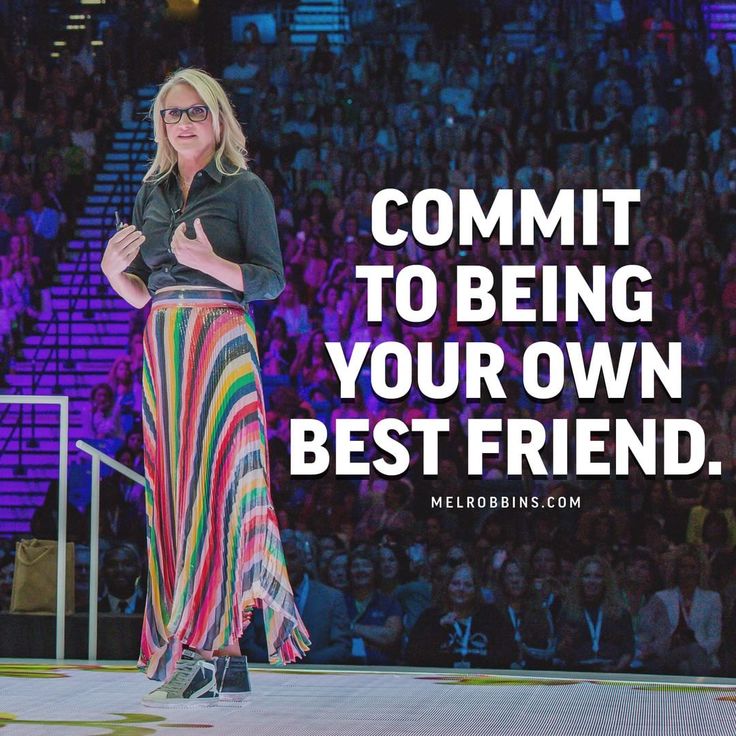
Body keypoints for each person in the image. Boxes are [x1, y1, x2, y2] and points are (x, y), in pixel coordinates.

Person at [100, 67, 309, 706]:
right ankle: (212, 651)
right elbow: (145, 291)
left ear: (218, 119)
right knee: (174, 494)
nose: (183, 122)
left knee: (225, 487)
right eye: (172, 113)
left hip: (221, 341)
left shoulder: (244, 188)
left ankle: (217, 644)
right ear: (161, 125)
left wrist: (208, 263)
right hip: (163, 347)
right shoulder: (151, 191)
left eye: (195, 111)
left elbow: (270, 280)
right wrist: (115, 275)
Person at [406, 563, 515, 669]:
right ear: (447, 587)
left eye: (468, 585)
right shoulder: (431, 616)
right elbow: (413, 656)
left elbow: (506, 655)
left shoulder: (492, 616)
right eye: (455, 583)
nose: (461, 589)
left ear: (475, 590)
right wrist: (438, 628)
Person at [557, 556, 634, 672]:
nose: (592, 581)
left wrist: (616, 670)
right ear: (579, 580)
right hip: (578, 672)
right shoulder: (568, 611)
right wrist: (566, 643)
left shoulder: (620, 612)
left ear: (606, 580)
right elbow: (560, 652)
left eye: (598, 576)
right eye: (587, 576)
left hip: (612, 672)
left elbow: (628, 650)